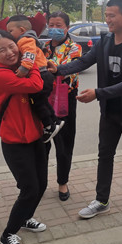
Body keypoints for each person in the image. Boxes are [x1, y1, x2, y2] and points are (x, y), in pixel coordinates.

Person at [48, 0, 122, 218]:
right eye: (106, 15)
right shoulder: (105, 41)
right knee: (104, 155)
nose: (108, 20)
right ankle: (102, 200)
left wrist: (97, 93)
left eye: (112, 15)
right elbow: (83, 62)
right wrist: (58, 70)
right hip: (110, 111)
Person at [0, 30, 48, 244]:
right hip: (14, 141)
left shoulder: (17, 68)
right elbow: (36, 85)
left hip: (34, 135)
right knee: (30, 188)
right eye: (2, 50)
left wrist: (28, 63)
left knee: (41, 184)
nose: (10, 52)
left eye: (12, 46)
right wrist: (33, 63)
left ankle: (26, 218)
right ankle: (8, 234)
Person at [42, 11, 82, 201]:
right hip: (43, 99)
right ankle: (40, 182)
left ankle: (62, 182)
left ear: (67, 27)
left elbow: (69, 71)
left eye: (59, 25)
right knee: (41, 143)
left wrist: (51, 69)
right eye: (51, 25)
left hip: (64, 98)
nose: (54, 29)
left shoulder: (74, 48)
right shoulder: (43, 47)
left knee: (64, 143)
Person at [6, 15, 63, 143]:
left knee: (37, 103)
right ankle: (55, 121)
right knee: (42, 101)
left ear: (21, 30)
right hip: (45, 75)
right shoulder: (31, 39)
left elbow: (29, 54)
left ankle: (49, 126)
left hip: (41, 75)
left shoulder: (24, 40)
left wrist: (24, 68)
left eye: (10, 31)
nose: (9, 34)